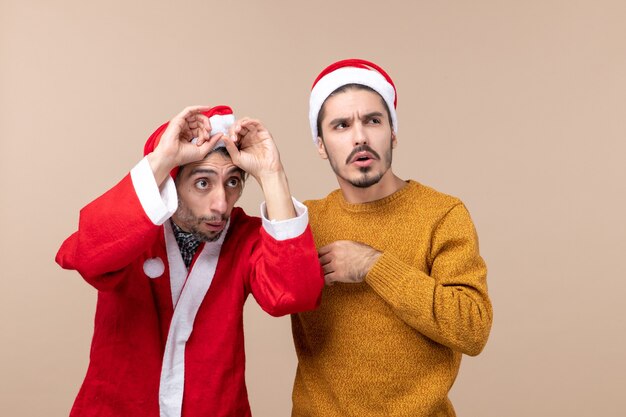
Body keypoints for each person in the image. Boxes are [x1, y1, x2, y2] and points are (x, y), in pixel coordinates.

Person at [56, 105, 324, 417]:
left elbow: (294, 294)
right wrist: (161, 160)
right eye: (202, 182)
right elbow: (86, 257)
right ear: (172, 181)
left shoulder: (244, 237)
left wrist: (272, 174)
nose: (221, 203)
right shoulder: (132, 229)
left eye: (233, 182)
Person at [290, 59, 493, 417]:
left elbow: (472, 329)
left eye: (373, 120)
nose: (360, 137)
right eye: (341, 125)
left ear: (393, 132)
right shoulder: (305, 223)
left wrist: (374, 265)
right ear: (321, 145)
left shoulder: (442, 215)